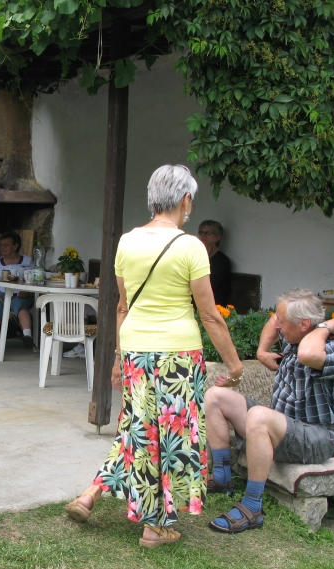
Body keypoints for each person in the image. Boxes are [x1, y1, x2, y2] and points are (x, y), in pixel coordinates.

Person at [64, 164, 244, 548]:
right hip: (177, 353)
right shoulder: (192, 247)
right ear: (185, 200)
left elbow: (122, 306)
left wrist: (118, 357)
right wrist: (234, 364)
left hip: (136, 349)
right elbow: (210, 314)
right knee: (173, 436)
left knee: (141, 431)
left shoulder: (126, 242)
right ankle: (155, 525)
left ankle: (96, 494)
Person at [204, 289, 334, 533]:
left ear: (304, 325)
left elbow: (307, 354)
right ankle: (222, 478)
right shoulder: (294, 335)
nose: (278, 327)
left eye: (284, 323)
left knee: (259, 416)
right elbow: (275, 320)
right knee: (215, 396)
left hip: (318, 437)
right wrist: (262, 352)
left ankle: (252, 507)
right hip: (283, 428)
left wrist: (326, 326)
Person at [0, 231, 35, 354]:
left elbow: (34, 280)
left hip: (20, 293)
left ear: (15, 246)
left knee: (19, 304)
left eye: (6, 245)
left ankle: (27, 335)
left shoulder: (27, 261)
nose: (2, 247)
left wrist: (27, 291)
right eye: (1, 245)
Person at [197, 219, 232, 306]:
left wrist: (205, 258)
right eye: (201, 233)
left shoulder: (222, 261)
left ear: (217, 237)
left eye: (207, 233)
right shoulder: (195, 256)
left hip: (213, 305)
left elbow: (207, 284)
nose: (203, 236)